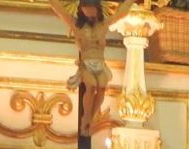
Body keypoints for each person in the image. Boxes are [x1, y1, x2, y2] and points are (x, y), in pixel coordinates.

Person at [47, 0, 137, 135]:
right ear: (81, 10)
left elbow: (121, 13)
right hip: (86, 64)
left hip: (100, 64)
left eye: (91, 9)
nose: (88, 12)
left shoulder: (103, 25)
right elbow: (59, 8)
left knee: (102, 88)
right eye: (85, 9)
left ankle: (91, 118)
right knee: (92, 86)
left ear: (98, 9)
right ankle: (86, 117)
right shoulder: (77, 25)